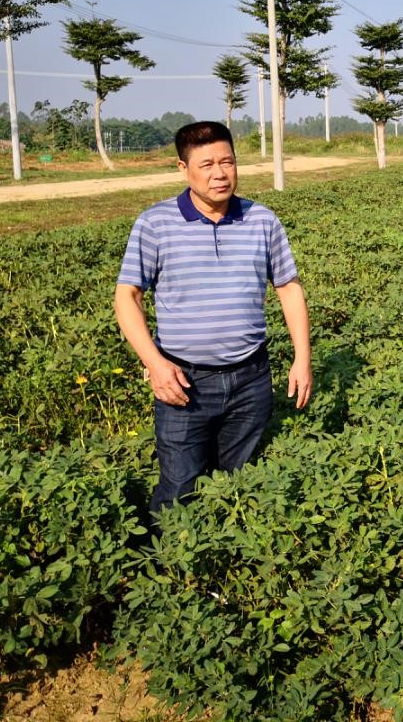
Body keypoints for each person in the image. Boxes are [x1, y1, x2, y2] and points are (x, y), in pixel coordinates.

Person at [115, 121, 312, 514]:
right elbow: (127, 297)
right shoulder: (155, 224)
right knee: (178, 489)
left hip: (251, 379)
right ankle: (166, 565)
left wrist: (301, 359)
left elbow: (288, 287)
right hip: (184, 381)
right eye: (206, 164)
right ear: (182, 168)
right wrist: (155, 364)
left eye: (228, 162)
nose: (220, 174)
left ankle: (226, 565)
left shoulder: (262, 220)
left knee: (239, 483)